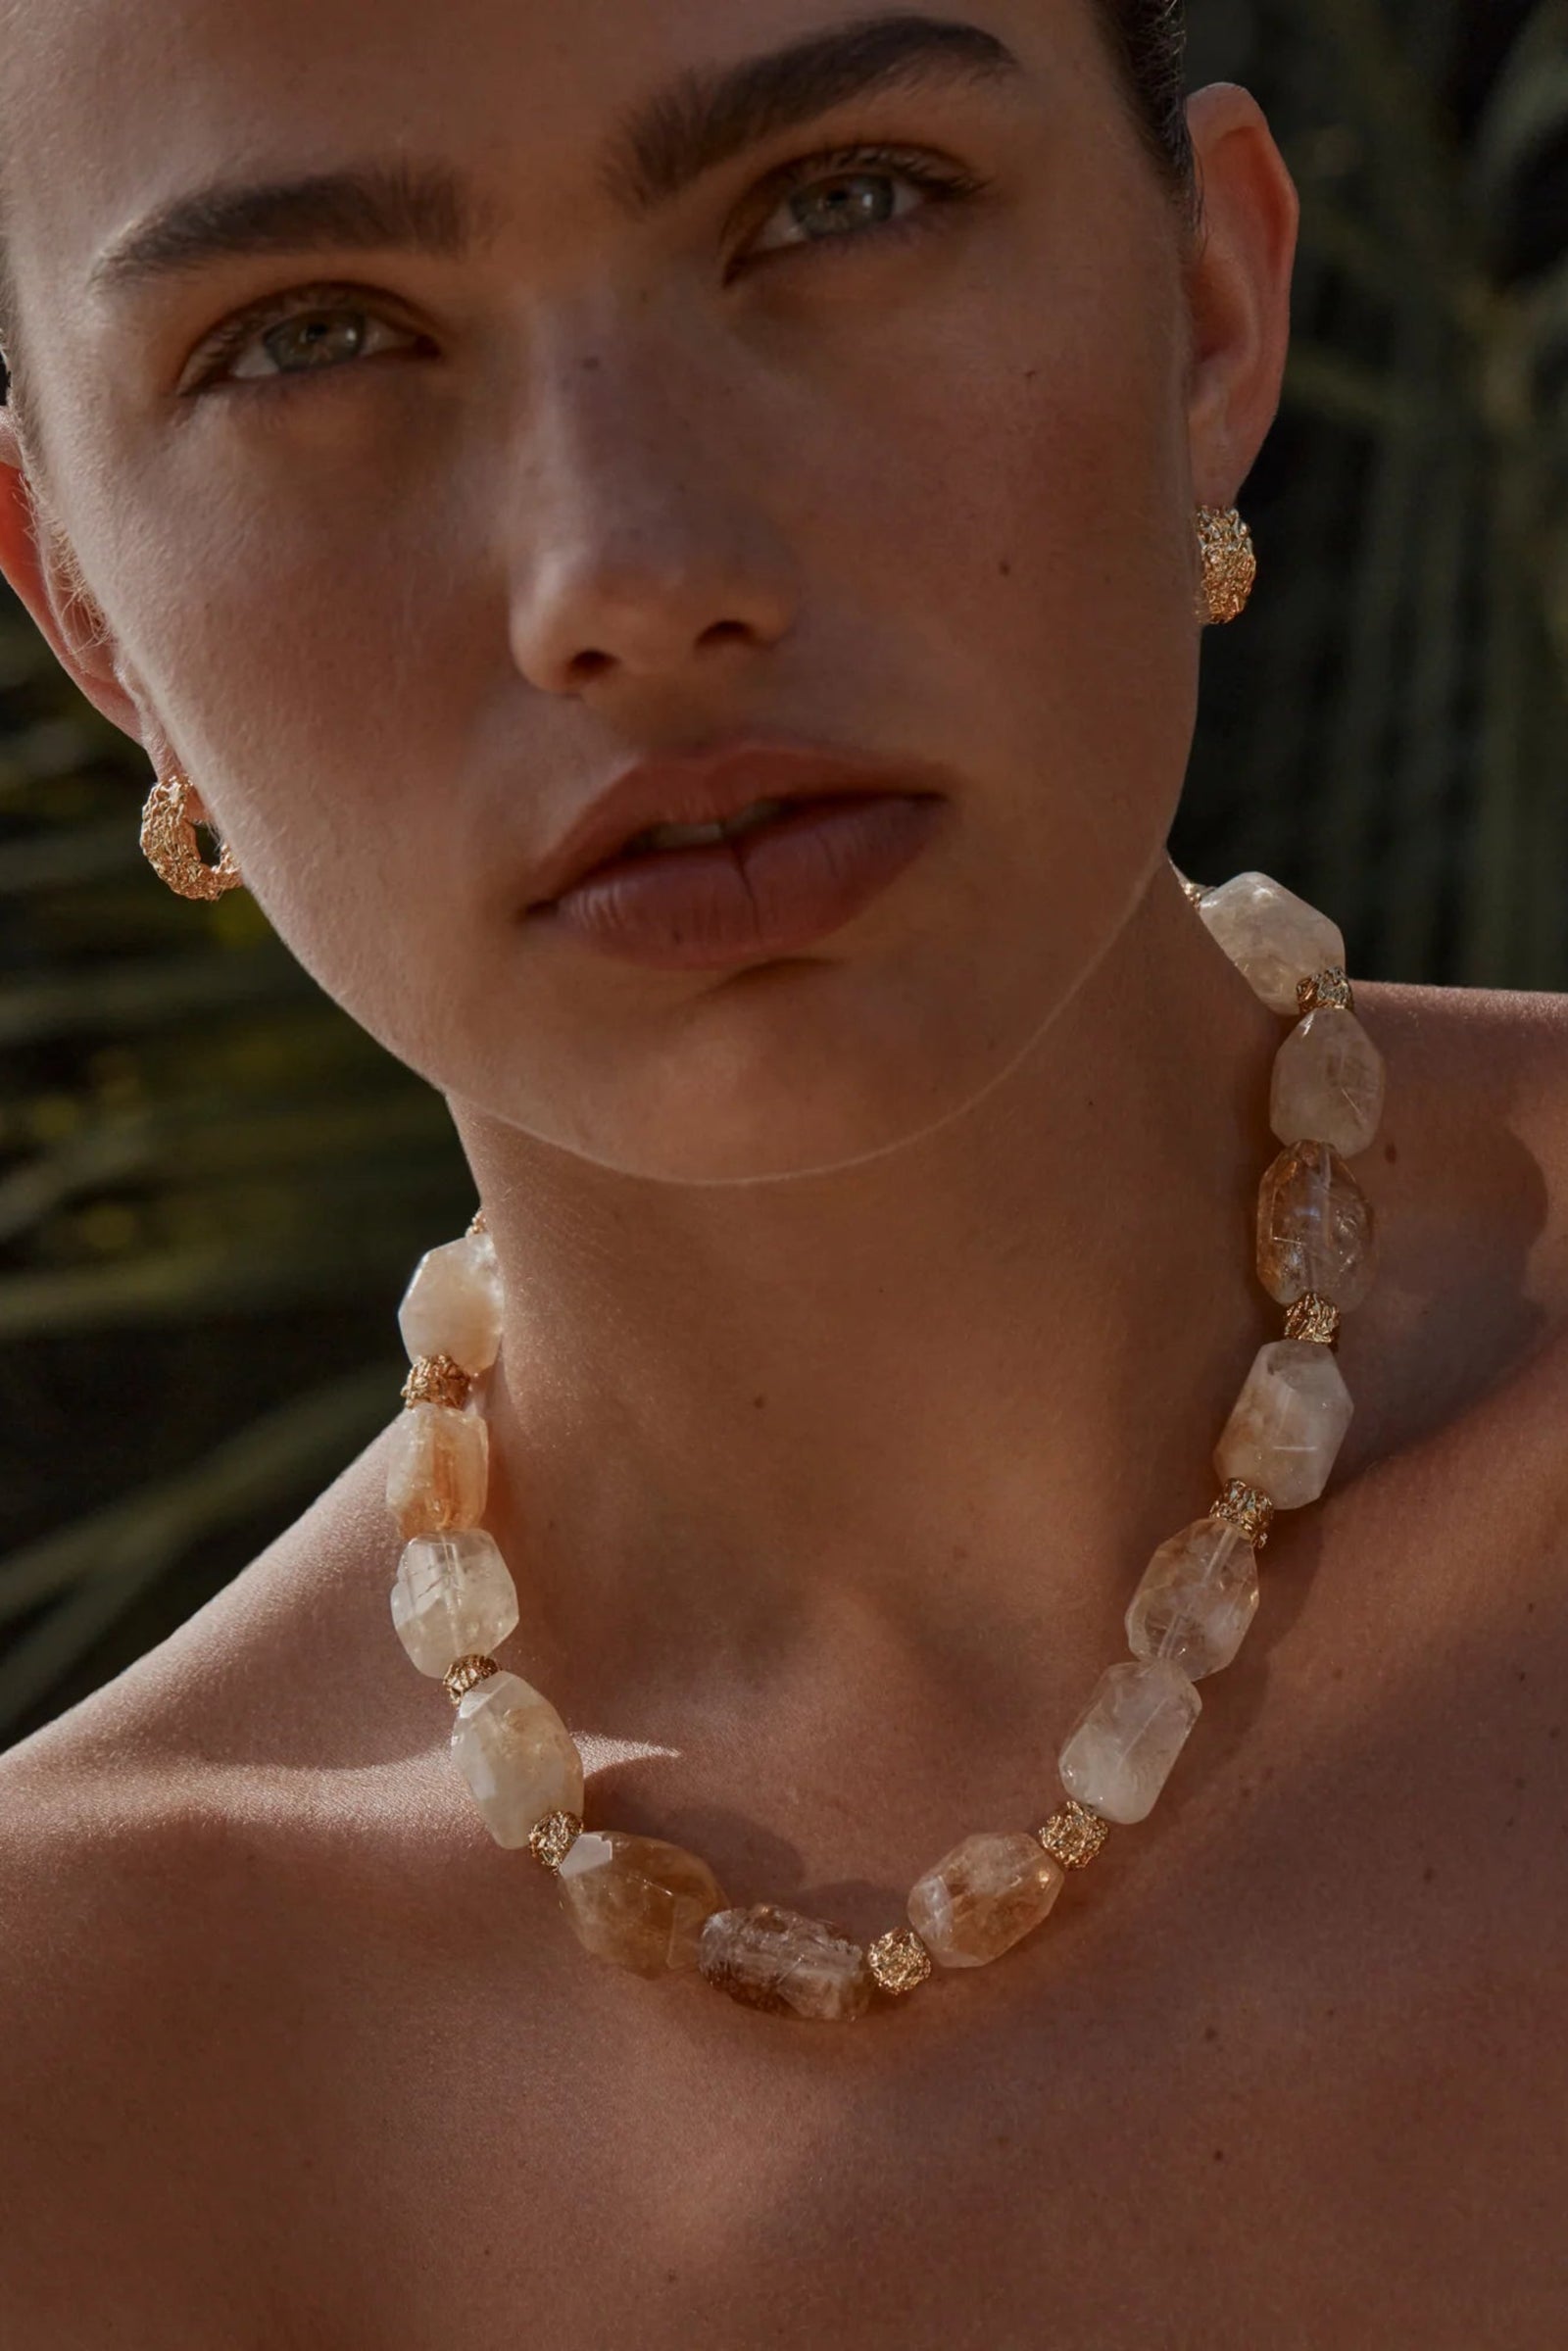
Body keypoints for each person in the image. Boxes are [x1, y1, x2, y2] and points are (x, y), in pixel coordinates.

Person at [0, 0, 1563, 2341]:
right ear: (92, 613)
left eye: (841, 202)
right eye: (309, 337)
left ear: (1207, 302)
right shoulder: (80, 2088)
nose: (631, 572)